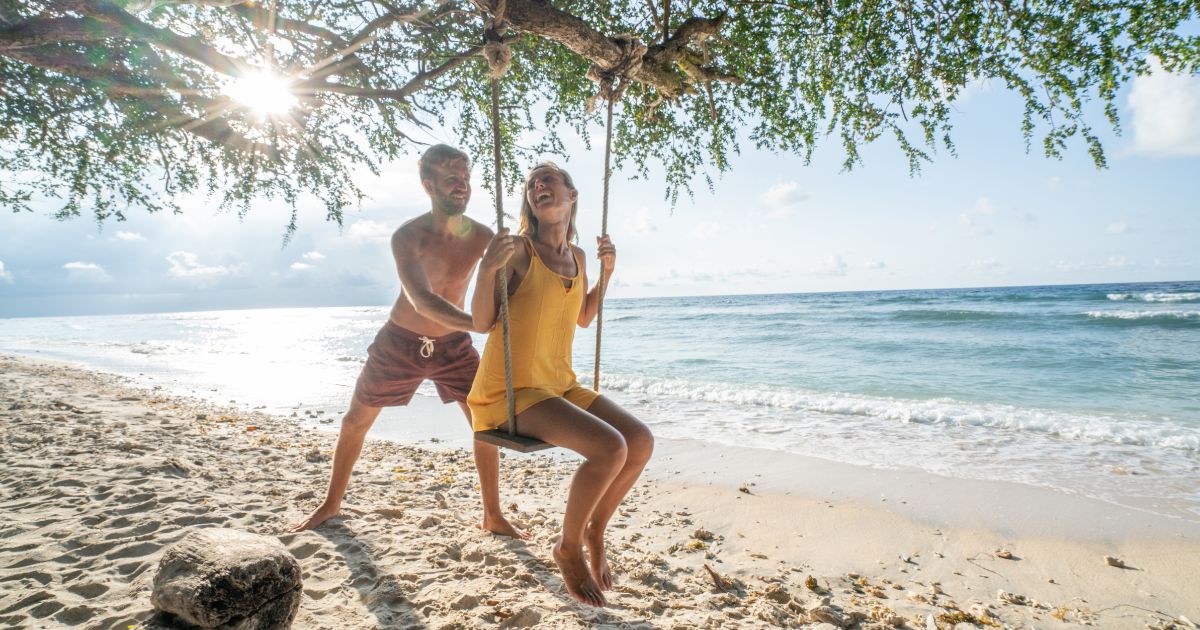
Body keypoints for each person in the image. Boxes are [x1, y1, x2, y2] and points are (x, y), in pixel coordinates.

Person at [289, 144, 525, 539]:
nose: (461, 186)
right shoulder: (407, 237)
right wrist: (477, 324)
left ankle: (492, 514)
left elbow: (519, 278)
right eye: (452, 179)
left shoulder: (484, 236)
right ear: (428, 184)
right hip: (400, 342)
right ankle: (332, 504)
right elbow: (422, 299)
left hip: (454, 348)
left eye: (465, 179)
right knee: (354, 421)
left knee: (484, 425)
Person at [468, 162, 654, 607]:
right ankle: (567, 548)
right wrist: (484, 269)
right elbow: (480, 323)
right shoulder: (517, 251)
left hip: (559, 384)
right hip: (511, 393)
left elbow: (584, 316)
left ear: (572, 195)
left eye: (548, 179)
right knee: (610, 449)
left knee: (640, 441)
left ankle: (594, 530)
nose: (538, 186)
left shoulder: (579, 257)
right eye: (532, 183)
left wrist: (607, 272)